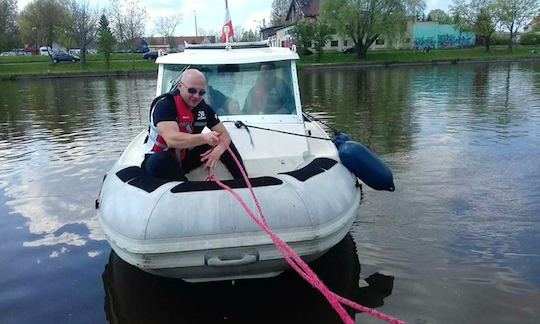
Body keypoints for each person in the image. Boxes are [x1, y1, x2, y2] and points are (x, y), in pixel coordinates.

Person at [142, 68, 245, 181]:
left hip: (184, 158)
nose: (196, 96)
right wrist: (204, 138)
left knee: (222, 142)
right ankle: (184, 186)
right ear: (180, 86)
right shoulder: (165, 105)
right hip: (158, 159)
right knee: (161, 159)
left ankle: (243, 181)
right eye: (192, 90)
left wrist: (217, 151)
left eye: (201, 92)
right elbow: (172, 140)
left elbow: (224, 134)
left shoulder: (204, 109)